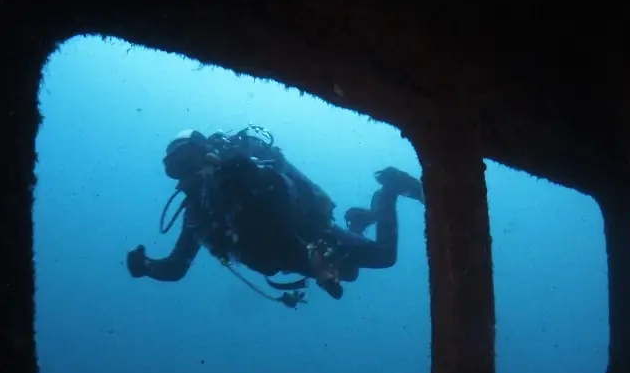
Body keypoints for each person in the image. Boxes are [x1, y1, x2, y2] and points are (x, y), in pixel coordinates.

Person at [126, 126, 423, 307]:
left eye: (189, 158)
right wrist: (147, 266)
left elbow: (279, 190)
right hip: (282, 258)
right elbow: (177, 266)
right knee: (350, 273)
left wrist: (243, 171)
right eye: (177, 168)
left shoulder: (239, 166)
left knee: (383, 257)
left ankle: (389, 191)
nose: (189, 171)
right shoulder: (197, 211)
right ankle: (357, 222)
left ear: (205, 150)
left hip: (308, 230)